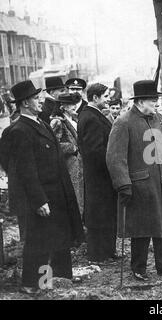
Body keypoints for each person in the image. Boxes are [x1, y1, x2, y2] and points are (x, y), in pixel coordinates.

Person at [0, 80, 84, 293]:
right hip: (40, 198)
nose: (41, 102)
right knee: (39, 242)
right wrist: (38, 200)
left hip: (55, 194)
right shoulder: (18, 130)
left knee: (56, 239)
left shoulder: (41, 124)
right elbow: (22, 171)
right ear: (26, 103)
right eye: (36, 98)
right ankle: (33, 284)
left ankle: (57, 280)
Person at [106, 80, 162, 281]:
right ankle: (138, 268)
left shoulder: (156, 118)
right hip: (140, 185)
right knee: (142, 228)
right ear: (140, 102)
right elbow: (115, 157)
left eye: (156, 100)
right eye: (152, 100)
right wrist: (123, 183)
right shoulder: (123, 122)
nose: (156, 104)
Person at [77, 83, 118, 263]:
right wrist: (111, 165)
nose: (108, 99)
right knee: (99, 214)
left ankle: (107, 251)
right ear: (95, 98)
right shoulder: (91, 118)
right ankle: (98, 254)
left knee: (106, 213)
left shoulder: (93, 115)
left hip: (99, 176)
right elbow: (95, 151)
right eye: (105, 96)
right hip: (99, 177)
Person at [50, 93, 84, 216]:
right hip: (69, 163)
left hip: (78, 162)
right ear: (62, 106)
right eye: (70, 104)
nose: (73, 106)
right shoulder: (57, 122)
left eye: (74, 103)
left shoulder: (73, 118)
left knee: (80, 193)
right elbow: (54, 144)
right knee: (75, 195)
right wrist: (73, 147)